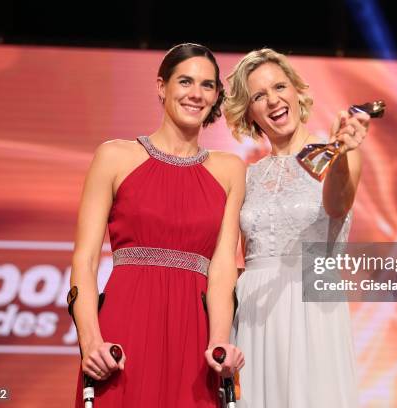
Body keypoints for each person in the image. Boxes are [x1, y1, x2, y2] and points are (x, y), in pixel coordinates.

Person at [70, 43, 245, 407]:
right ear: (161, 87)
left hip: (193, 339)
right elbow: (84, 261)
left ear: (216, 97)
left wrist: (218, 342)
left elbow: (224, 267)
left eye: (207, 85)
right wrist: (90, 344)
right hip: (125, 327)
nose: (196, 94)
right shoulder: (114, 156)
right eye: (185, 81)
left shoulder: (230, 169)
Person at [224, 48, 370, 407]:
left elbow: (338, 204)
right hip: (255, 315)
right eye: (259, 96)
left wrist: (337, 153)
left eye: (279, 87)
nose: (273, 100)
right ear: (250, 112)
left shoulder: (340, 151)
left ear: (297, 91)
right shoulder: (248, 175)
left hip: (312, 311)